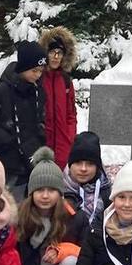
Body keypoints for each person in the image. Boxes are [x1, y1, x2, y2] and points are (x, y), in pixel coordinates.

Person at [0, 40, 48, 200]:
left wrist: (39, 140)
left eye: (40, 71)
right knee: (7, 205)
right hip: (5, 159)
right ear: (23, 68)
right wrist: (6, 139)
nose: (38, 75)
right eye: (34, 70)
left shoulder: (38, 92)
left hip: (31, 159)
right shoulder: (0, 91)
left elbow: (41, 120)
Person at [40, 27, 78, 168]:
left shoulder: (66, 80)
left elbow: (71, 114)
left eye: (60, 53)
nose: (56, 57)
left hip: (63, 144)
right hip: (42, 143)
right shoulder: (38, 78)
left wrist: (70, 136)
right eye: (52, 52)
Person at [62, 130, 110, 227]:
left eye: (90, 164)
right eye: (78, 162)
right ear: (70, 165)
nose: (83, 169)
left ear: (97, 167)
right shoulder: (58, 191)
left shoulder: (108, 192)